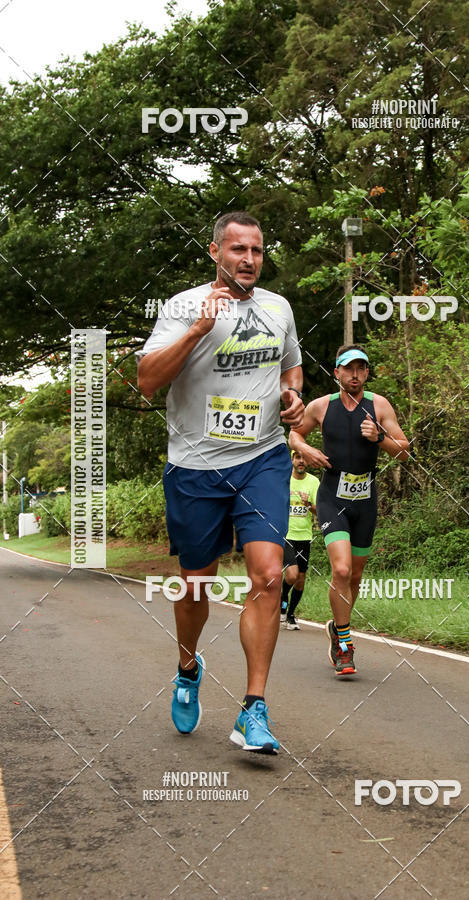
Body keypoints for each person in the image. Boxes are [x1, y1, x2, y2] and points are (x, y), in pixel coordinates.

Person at [137, 211, 304, 754]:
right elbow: (146, 382)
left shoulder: (278, 307)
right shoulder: (183, 307)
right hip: (195, 467)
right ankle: (188, 666)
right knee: (195, 586)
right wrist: (198, 331)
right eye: (238, 250)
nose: (249, 260)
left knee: (269, 574)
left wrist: (291, 395)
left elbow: (290, 366)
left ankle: (254, 709)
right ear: (215, 252)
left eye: (256, 250)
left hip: (263, 459)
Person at [289, 344, 409, 676]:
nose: (354, 375)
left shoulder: (378, 405)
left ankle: (337, 627)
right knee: (341, 571)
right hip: (332, 496)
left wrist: (380, 437)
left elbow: (403, 451)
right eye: (348, 369)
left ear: (366, 373)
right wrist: (306, 449)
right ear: (336, 373)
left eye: (361, 369)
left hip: (365, 500)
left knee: (354, 576)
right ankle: (344, 644)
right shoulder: (320, 407)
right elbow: (294, 433)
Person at [280, 449, 320, 630]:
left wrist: (308, 504)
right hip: (286, 534)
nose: (301, 461)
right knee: (292, 574)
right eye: (298, 458)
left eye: (304, 458)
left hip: (305, 536)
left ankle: (290, 615)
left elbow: (319, 510)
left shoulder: (314, 482)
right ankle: (282, 598)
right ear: (292, 460)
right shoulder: (283, 478)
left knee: (301, 579)